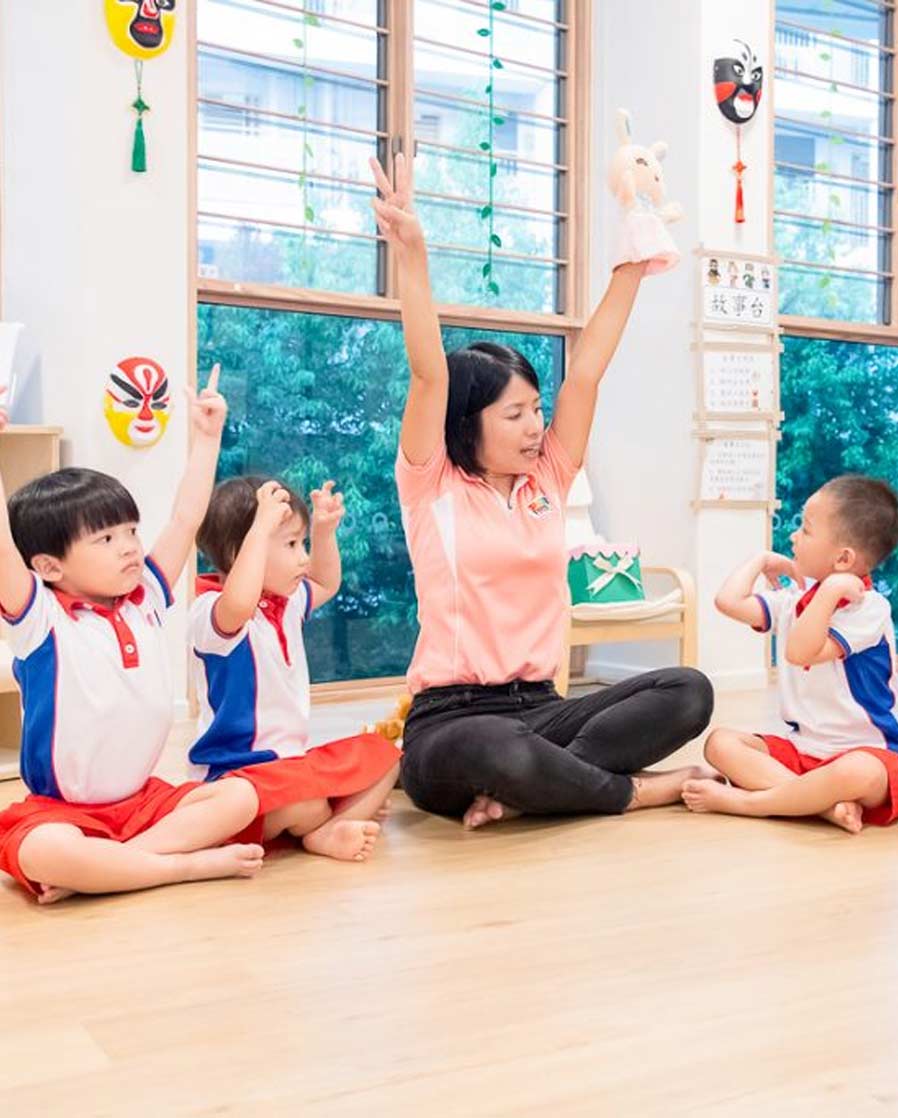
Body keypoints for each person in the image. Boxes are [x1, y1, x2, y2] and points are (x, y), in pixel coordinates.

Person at [369, 153, 714, 829]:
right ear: (469, 422)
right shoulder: (432, 483)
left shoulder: (549, 477)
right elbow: (428, 373)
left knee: (688, 691)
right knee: (494, 747)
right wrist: (413, 253)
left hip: (543, 707)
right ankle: (633, 792)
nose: (535, 427)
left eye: (536, 410)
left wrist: (634, 260)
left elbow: (585, 374)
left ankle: (536, 786)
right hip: (453, 720)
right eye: (515, 415)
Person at [0, 370, 264, 903]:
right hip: (63, 814)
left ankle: (112, 868)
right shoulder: (40, 619)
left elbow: (186, 519)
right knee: (44, 850)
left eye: (131, 531)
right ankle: (179, 866)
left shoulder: (145, 595)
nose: (128, 546)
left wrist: (207, 438)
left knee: (239, 797)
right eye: (105, 539)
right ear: (48, 566)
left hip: (145, 802)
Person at [189, 476, 400, 862]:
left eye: (302, 544)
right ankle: (325, 819)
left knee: (385, 756)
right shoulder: (212, 611)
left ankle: (327, 828)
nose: (303, 557)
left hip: (292, 767)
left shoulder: (285, 602)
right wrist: (259, 530)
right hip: (237, 777)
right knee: (304, 804)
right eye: (290, 545)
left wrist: (323, 532)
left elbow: (324, 582)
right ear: (241, 552)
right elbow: (238, 605)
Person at [683, 475, 898, 834]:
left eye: (806, 529)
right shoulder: (794, 601)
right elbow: (728, 601)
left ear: (843, 558)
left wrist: (830, 591)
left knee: (856, 772)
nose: (794, 537)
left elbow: (801, 651)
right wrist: (761, 559)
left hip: (868, 752)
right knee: (721, 743)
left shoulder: (868, 609)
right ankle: (823, 807)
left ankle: (750, 803)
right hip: (804, 750)